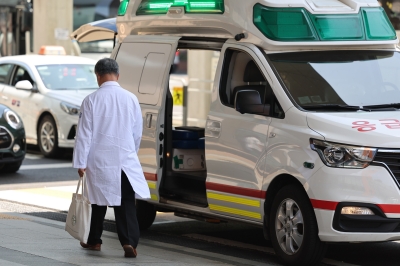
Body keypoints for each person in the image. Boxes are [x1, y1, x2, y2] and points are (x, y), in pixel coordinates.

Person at [73, 58, 150, 258]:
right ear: (118, 75)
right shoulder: (131, 98)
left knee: (98, 201)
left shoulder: (91, 100)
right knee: (126, 202)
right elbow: (137, 133)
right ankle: (129, 242)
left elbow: (84, 134)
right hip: (125, 158)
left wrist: (81, 162)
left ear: (98, 76)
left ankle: (94, 241)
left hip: (99, 160)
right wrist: (131, 152)